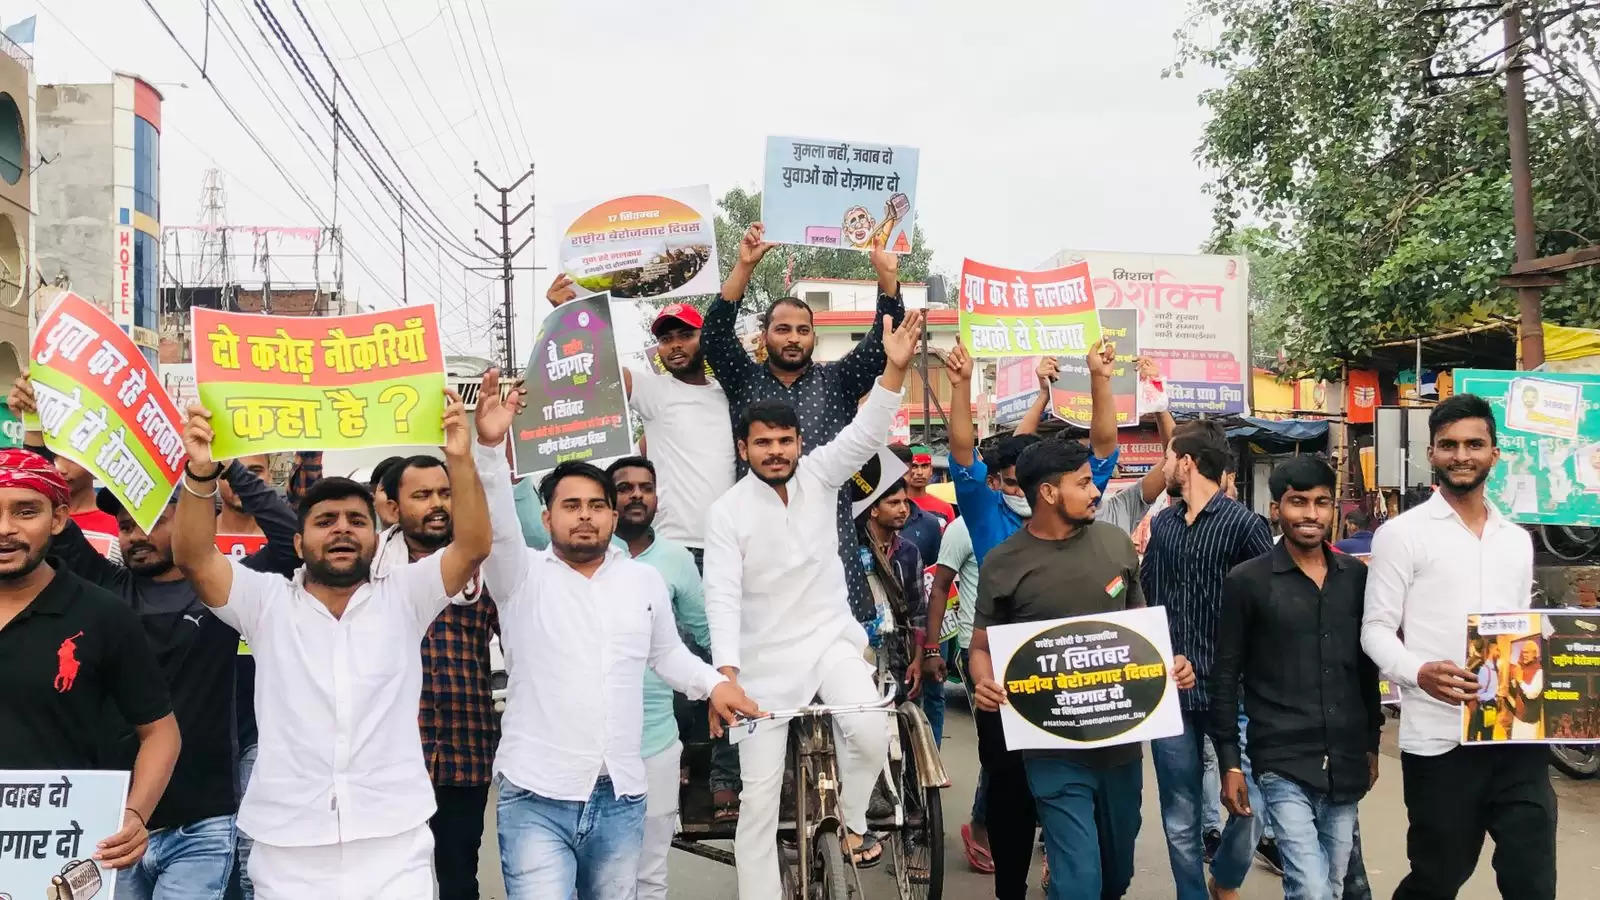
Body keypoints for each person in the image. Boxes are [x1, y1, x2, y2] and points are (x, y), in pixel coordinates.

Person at [168, 385, 492, 898]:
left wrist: (460, 457)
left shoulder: (406, 596)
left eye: (356, 520)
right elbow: (193, 558)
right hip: (288, 849)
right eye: (325, 521)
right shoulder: (265, 602)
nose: (341, 530)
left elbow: (473, 545)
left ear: (374, 533)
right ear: (299, 543)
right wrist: (201, 472)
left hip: (395, 843)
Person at [11, 371, 302, 900]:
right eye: (125, 524)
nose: (136, 533)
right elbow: (39, 513)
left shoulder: (225, 595)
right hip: (110, 822)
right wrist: (35, 429)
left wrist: (223, 466)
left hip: (202, 818)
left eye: (154, 519)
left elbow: (292, 541)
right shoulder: (103, 592)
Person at [470, 371, 757, 900]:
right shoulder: (519, 577)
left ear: (611, 513)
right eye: (571, 505)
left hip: (622, 796)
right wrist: (488, 450)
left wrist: (715, 684)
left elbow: (668, 654)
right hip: (537, 796)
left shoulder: (642, 579)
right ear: (546, 515)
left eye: (596, 505)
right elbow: (496, 525)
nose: (585, 517)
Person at [703, 310, 924, 898]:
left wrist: (895, 368)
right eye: (764, 443)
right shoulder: (727, 514)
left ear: (800, 442)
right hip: (761, 667)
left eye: (784, 442)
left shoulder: (823, 477)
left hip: (829, 640)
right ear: (743, 446)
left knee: (871, 728)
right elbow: (720, 596)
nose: (776, 452)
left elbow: (868, 432)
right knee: (757, 805)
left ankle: (850, 822)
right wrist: (726, 675)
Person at [969, 439, 1196, 900]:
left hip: (1120, 749)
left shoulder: (1116, 545)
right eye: (1084, 483)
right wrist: (983, 682)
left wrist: (1171, 665)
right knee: (1079, 884)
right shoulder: (1003, 564)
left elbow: (1139, 631)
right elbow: (980, 647)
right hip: (1051, 751)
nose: (1096, 492)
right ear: (1049, 494)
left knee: (1115, 877)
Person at [943, 340, 1122, 899]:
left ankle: (1070, 874)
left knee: (1083, 806)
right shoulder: (984, 512)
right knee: (1013, 799)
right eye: (1011, 476)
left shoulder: (1081, 509)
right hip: (1007, 689)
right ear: (1005, 481)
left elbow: (1104, 443)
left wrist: (1097, 378)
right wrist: (960, 384)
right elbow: (962, 450)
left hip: (1078, 688)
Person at [1362, 393, 1552, 900]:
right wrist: (1418, 671)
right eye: (1448, 445)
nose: (1461, 455)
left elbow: (1521, 627)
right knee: (1438, 875)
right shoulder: (1401, 535)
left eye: (1474, 444)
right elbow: (1375, 629)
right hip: (1439, 741)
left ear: (1495, 452)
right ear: (1432, 454)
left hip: (1515, 734)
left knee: (1533, 878)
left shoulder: (1516, 540)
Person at [703, 222, 905, 628]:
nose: (793, 338)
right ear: (765, 336)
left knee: (844, 668)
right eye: (782, 329)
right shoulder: (744, 379)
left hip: (832, 545)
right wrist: (743, 267)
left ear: (814, 336)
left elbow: (884, 344)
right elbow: (715, 338)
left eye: (802, 330)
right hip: (759, 545)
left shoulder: (839, 381)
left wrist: (887, 278)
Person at [0, 448, 181, 874]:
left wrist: (135, 816)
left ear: (59, 519)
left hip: (57, 851)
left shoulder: (101, 614)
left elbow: (161, 732)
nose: (5, 529)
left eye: (26, 512)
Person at [1209, 456, 1382, 900]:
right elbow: (1225, 675)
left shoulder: (1357, 579)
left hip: (1344, 759)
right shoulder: (1247, 581)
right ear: (1276, 509)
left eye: (1321, 502)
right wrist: (1230, 762)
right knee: (1310, 888)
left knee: (1332, 884)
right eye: (1297, 502)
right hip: (1281, 758)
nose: (1310, 514)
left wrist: (1371, 745)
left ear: (1333, 508)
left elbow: (1366, 668)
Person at [1142, 419, 1275, 900]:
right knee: (1180, 814)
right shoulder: (1163, 526)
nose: (1164, 466)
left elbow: (1271, 605)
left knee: (1252, 804)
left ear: (1187, 462)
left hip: (1236, 693)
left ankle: (1227, 875)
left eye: (1169, 457)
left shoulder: (1245, 526)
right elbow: (1148, 600)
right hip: (1171, 695)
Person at [375, 454, 500, 900]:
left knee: (457, 880)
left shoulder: (486, 569)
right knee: (389, 880)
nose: (437, 504)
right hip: (388, 756)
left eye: (445, 493)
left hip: (464, 754)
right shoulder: (368, 569)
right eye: (422, 495)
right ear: (392, 506)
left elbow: (528, 643)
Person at [546, 275, 734, 571]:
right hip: (672, 545)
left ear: (705, 337)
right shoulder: (656, 391)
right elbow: (600, 365)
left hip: (728, 547)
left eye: (685, 335)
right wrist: (566, 316)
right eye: (665, 339)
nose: (675, 346)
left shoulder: (728, 395)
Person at [604, 456, 710, 900]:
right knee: (598, 875)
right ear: (609, 500)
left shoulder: (676, 560)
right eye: (624, 487)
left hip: (656, 743)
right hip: (590, 749)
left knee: (649, 876)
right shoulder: (581, 555)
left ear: (656, 497)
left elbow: (704, 635)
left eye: (645, 487)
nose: (636, 495)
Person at [927, 513, 992, 872]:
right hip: (976, 647)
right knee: (998, 743)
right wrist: (933, 648)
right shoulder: (963, 528)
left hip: (1029, 645)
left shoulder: (1039, 519)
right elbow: (940, 586)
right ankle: (981, 826)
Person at [854, 475, 929, 708]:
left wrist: (917, 660)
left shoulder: (908, 552)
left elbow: (918, 611)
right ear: (874, 509)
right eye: (894, 503)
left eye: (905, 503)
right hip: (859, 653)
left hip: (898, 655)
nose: (903, 509)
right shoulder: (854, 552)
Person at [53, 453, 121, 560]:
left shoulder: (120, 523)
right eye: (54, 456)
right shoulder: (40, 518)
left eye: (71, 459)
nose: (60, 468)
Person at [888, 442, 943, 566]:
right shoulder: (865, 521)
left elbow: (935, 574)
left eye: (903, 474)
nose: (897, 480)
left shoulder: (930, 523)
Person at [905, 445, 954, 527]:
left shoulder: (945, 508)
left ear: (931, 470)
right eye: (914, 466)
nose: (920, 472)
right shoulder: (898, 506)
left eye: (924, 466)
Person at [1466, 638, 1501, 744]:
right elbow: (1479, 694)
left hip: (1489, 707)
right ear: (1491, 650)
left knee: (1488, 735)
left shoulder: (1493, 668)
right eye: (1497, 650)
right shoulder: (1485, 669)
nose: (1499, 653)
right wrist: (1492, 697)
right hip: (1485, 708)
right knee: (1486, 736)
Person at [1509, 641, 1544, 740]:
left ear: (1535, 654)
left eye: (1527, 652)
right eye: (1523, 652)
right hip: (1518, 716)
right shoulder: (1522, 669)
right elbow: (1516, 691)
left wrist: (1520, 680)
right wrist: (1513, 679)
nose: (1524, 655)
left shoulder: (1539, 671)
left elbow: (1531, 694)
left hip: (1529, 721)